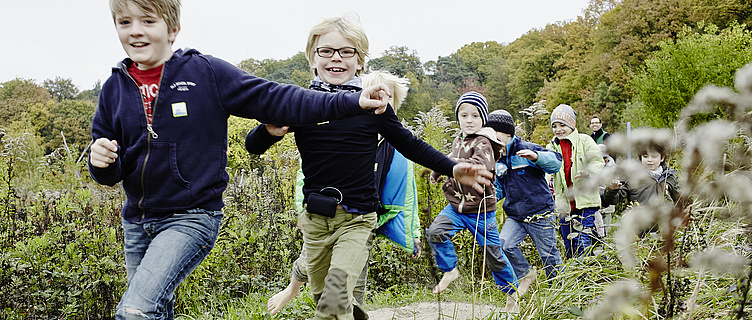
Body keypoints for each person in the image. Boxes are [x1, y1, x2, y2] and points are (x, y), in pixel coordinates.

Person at [89, 2, 394, 318]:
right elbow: (112, 169)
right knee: (155, 308)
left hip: (191, 214)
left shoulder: (205, 73)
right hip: (137, 220)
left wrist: (353, 101)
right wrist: (102, 163)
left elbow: (280, 98)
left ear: (172, 29)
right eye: (125, 21)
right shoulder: (115, 88)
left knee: (136, 310)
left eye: (148, 20)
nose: (135, 30)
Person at [245, 17, 491, 320]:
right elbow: (253, 146)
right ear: (312, 58)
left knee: (334, 297)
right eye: (326, 51)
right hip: (315, 220)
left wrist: (452, 167)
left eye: (346, 52)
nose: (336, 57)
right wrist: (269, 131)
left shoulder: (373, 107)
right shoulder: (302, 104)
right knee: (327, 300)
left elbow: (408, 144)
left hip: (356, 219)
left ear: (359, 62)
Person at [265, 70, 419, 316]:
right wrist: (301, 211)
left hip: (362, 220)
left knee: (352, 284)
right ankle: (292, 290)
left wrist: (413, 233)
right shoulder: (341, 135)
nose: (380, 104)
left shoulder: (394, 145)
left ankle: (350, 310)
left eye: (387, 100)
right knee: (309, 264)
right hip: (323, 213)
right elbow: (305, 175)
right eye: (374, 97)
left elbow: (406, 194)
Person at [426, 92, 520, 313]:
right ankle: (450, 270)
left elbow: (479, 164)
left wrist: (447, 163)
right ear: (457, 118)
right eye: (464, 115)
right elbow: (451, 157)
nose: (469, 120)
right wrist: (439, 171)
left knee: (494, 256)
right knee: (435, 232)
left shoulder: (485, 142)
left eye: (475, 116)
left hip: (481, 212)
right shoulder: (458, 139)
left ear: (483, 119)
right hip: (456, 207)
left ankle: (513, 294)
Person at [487, 110, 563, 294]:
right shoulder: (497, 158)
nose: (492, 140)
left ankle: (558, 292)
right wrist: (488, 198)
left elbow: (556, 162)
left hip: (540, 213)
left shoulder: (526, 149)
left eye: (495, 135)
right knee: (504, 244)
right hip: (516, 216)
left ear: (508, 134)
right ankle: (526, 275)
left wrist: (536, 157)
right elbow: (499, 187)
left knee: (549, 256)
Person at [546, 104, 605, 258]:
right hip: (564, 204)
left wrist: (589, 172)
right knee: (569, 243)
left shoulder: (585, 141)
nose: (558, 129)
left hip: (585, 200)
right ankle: (580, 274)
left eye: (562, 125)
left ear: (571, 125)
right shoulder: (552, 147)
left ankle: (588, 275)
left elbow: (598, 162)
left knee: (582, 239)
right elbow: (547, 169)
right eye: (554, 126)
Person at [603, 143, 681, 234]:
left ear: (662, 158)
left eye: (654, 156)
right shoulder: (632, 176)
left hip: (664, 229)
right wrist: (612, 190)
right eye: (645, 156)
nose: (649, 160)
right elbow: (612, 200)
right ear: (640, 158)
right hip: (638, 231)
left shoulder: (669, 176)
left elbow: (679, 199)